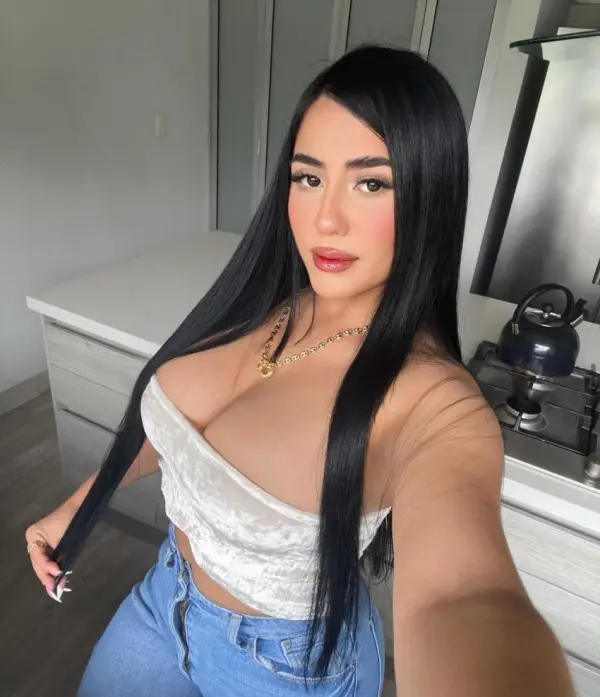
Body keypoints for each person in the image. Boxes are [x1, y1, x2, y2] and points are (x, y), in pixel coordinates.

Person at [25, 45, 575, 697]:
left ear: (430, 196)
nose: (325, 218)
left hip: (287, 667)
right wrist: (78, 507)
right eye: (308, 177)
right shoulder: (262, 299)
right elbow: (176, 438)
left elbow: (464, 598)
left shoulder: (432, 402)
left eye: (371, 183)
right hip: (165, 595)